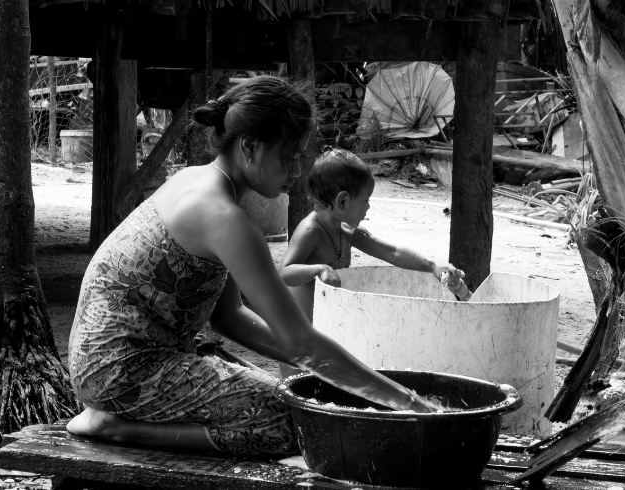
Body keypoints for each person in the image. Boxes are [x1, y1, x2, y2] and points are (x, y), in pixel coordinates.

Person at [65, 76, 438, 457]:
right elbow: (299, 341)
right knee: (291, 422)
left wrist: (333, 371)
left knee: (295, 395)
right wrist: (407, 401)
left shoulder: (199, 181)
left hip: (107, 360)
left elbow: (228, 317)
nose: (297, 171)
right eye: (289, 156)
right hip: (120, 370)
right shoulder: (225, 218)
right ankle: (117, 427)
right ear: (250, 147)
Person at [278, 148, 464, 376]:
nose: (368, 206)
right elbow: (284, 273)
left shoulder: (346, 231)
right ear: (343, 201)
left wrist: (432, 266)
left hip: (325, 331)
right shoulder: (310, 231)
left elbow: (392, 252)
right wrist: (320, 269)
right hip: (297, 338)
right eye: (365, 200)